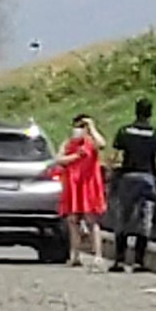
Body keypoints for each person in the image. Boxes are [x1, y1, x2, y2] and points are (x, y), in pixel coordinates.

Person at [108, 98, 156, 273]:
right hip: (147, 178)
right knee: (145, 220)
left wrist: (108, 177)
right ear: (150, 113)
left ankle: (119, 261)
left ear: (136, 112)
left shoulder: (124, 131)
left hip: (127, 177)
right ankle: (138, 261)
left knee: (123, 218)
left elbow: (113, 157)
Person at [56, 114, 107, 269]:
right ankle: (75, 254)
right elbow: (59, 159)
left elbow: (102, 144)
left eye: (82, 127)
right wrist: (76, 156)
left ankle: (98, 255)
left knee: (92, 220)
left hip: (88, 184)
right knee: (73, 220)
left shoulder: (91, 143)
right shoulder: (68, 143)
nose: (78, 130)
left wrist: (92, 128)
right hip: (73, 184)